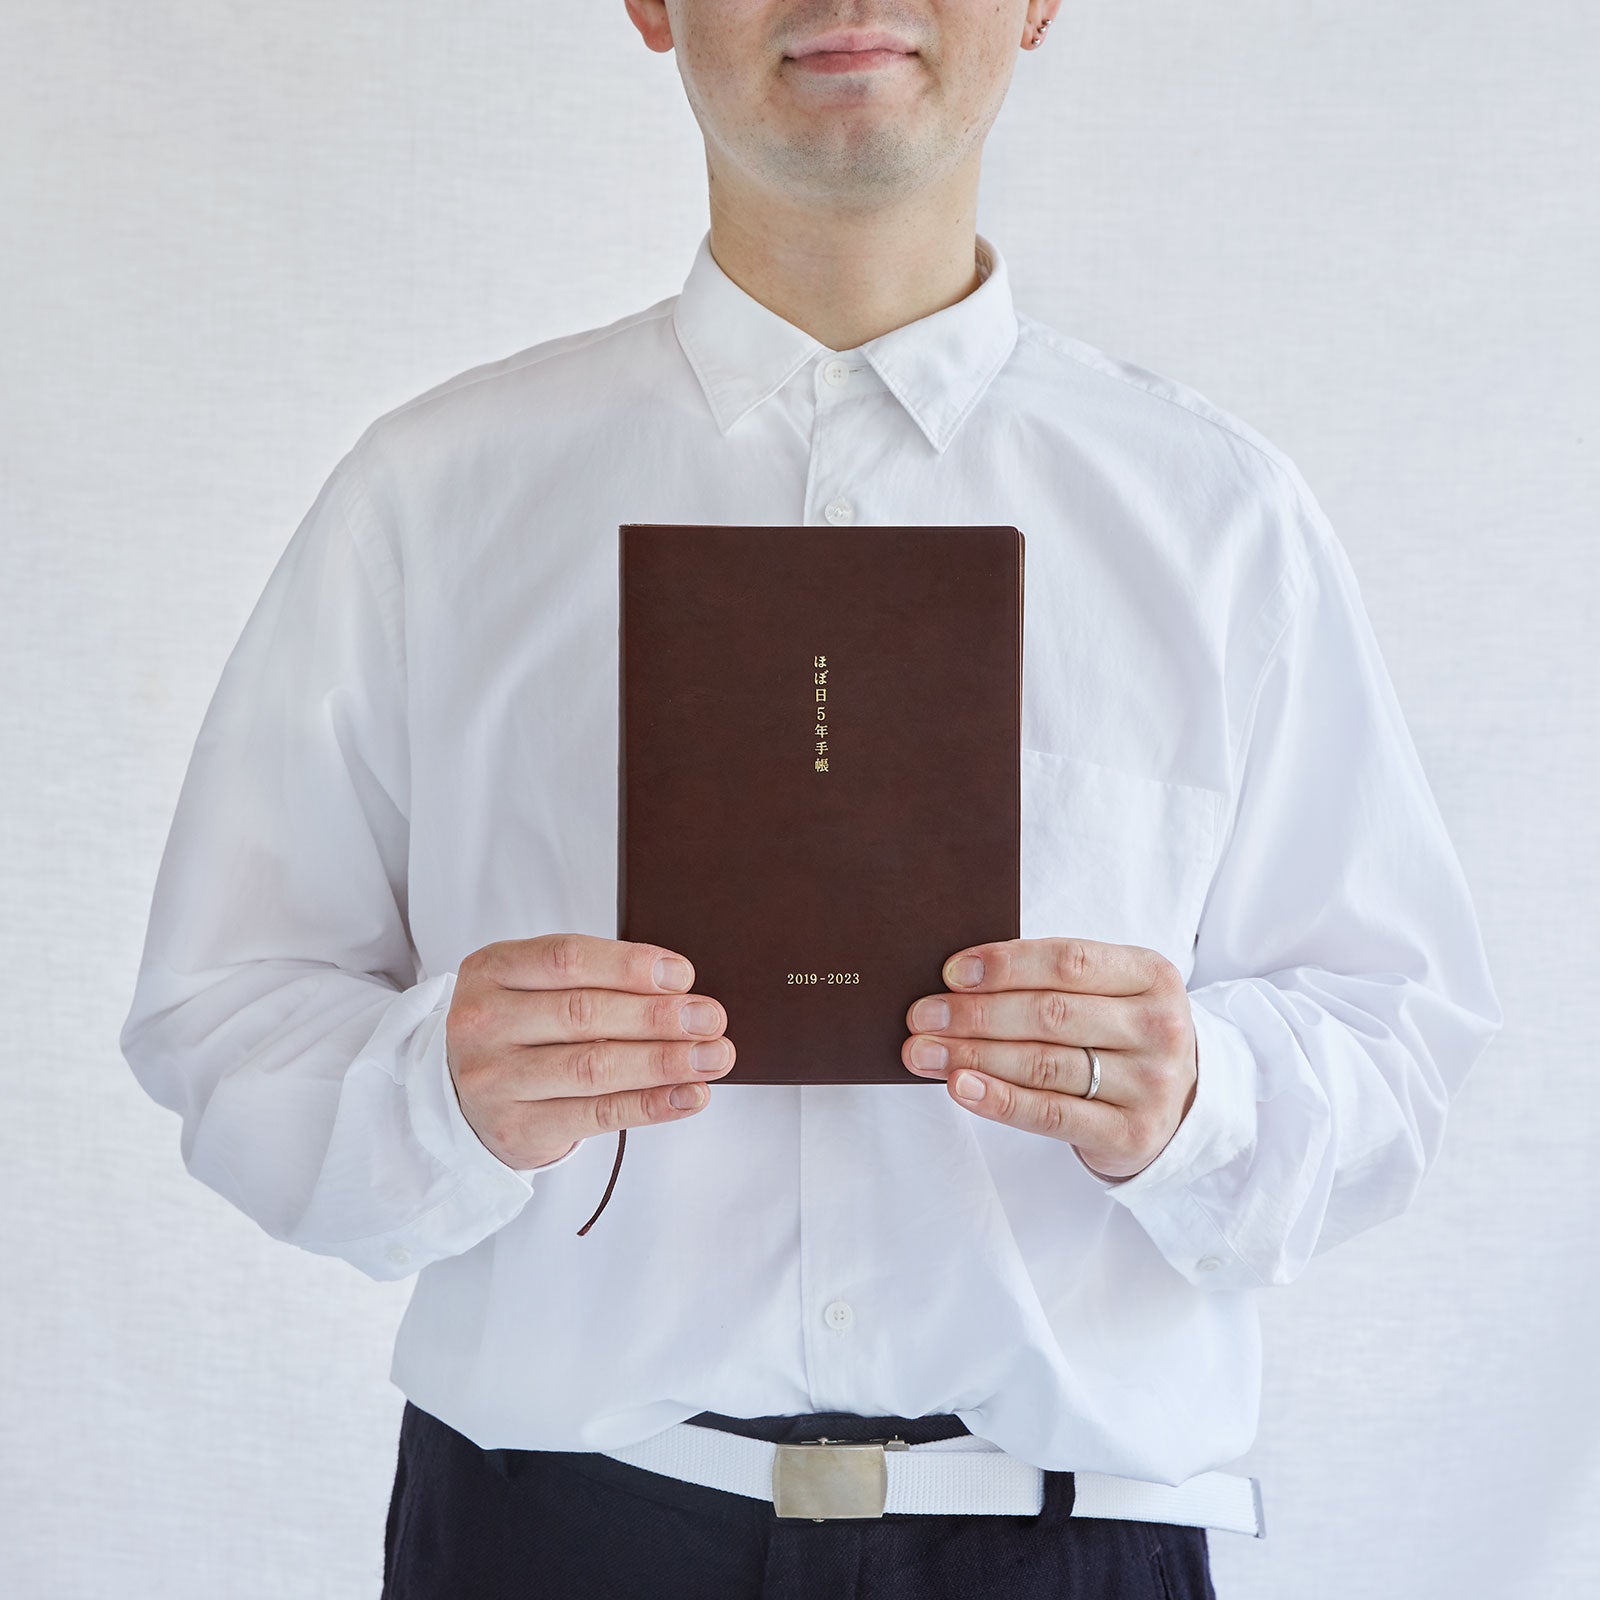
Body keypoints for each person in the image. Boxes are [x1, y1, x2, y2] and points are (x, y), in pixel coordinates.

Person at [119, 2, 1503, 1595]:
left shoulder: (1220, 519)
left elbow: (1397, 1038)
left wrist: (1203, 1099)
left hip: (1065, 1542)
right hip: (556, 1536)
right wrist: (433, 1092)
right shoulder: (432, 502)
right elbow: (226, 1011)